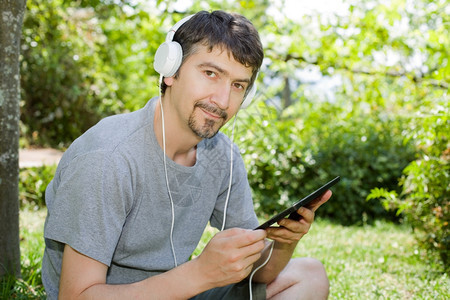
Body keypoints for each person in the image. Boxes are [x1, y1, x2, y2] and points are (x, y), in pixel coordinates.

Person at [42, 10, 331, 299]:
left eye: (238, 85)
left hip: (183, 291)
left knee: (309, 275)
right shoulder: (108, 158)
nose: (222, 100)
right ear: (170, 70)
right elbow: (76, 295)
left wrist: (284, 242)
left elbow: (258, 272)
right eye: (210, 73)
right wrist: (200, 273)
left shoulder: (223, 157)